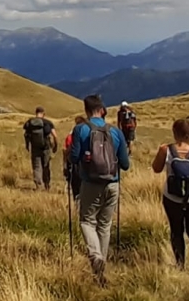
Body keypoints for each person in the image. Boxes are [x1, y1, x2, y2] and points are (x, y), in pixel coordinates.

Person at [69, 94, 131, 285]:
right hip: (112, 184)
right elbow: (125, 164)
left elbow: (73, 157)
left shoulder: (81, 129)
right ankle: (100, 270)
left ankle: (96, 257)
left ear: (86, 110)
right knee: (104, 225)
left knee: (87, 221)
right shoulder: (115, 131)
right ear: (102, 110)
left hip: (90, 183)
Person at [152, 118, 189, 269]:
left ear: (174, 132)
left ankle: (180, 266)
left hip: (172, 198)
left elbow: (156, 169)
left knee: (176, 232)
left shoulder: (165, 150)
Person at [22, 106, 57, 190]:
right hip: (46, 148)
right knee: (46, 166)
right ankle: (47, 185)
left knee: (36, 167)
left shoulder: (30, 123)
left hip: (35, 148)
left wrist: (27, 145)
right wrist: (55, 146)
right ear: (43, 114)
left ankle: (38, 185)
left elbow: (26, 135)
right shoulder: (47, 122)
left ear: (36, 113)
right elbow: (55, 136)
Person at [63, 115, 86, 200]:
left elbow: (67, 150)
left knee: (76, 187)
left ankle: (77, 202)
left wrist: (65, 164)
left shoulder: (72, 135)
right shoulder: (89, 133)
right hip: (88, 165)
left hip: (75, 165)